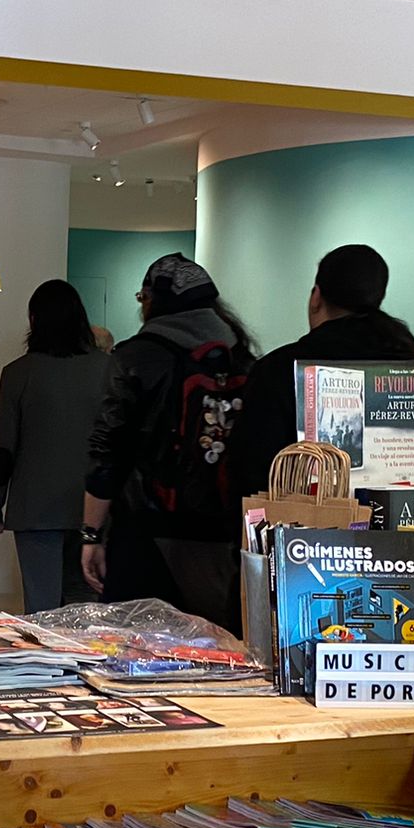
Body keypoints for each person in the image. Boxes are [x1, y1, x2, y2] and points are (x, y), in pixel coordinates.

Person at [80, 254, 258, 633]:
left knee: (128, 650)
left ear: (151, 300)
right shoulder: (244, 359)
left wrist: (91, 535)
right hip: (221, 538)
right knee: (213, 650)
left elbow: (106, 453)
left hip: (144, 535)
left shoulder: (135, 356)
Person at [243, 244, 414, 488]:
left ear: (316, 297)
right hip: (405, 522)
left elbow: (250, 474)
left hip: (299, 521)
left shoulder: (277, 370)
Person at [0, 280, 111, 613]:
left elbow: (2, 452)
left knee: (41, 611)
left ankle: (47, 667)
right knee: (86, 610)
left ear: (34, 320)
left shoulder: (18, 374)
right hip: (94, 508)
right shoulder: (109, 371)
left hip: (35, 511)